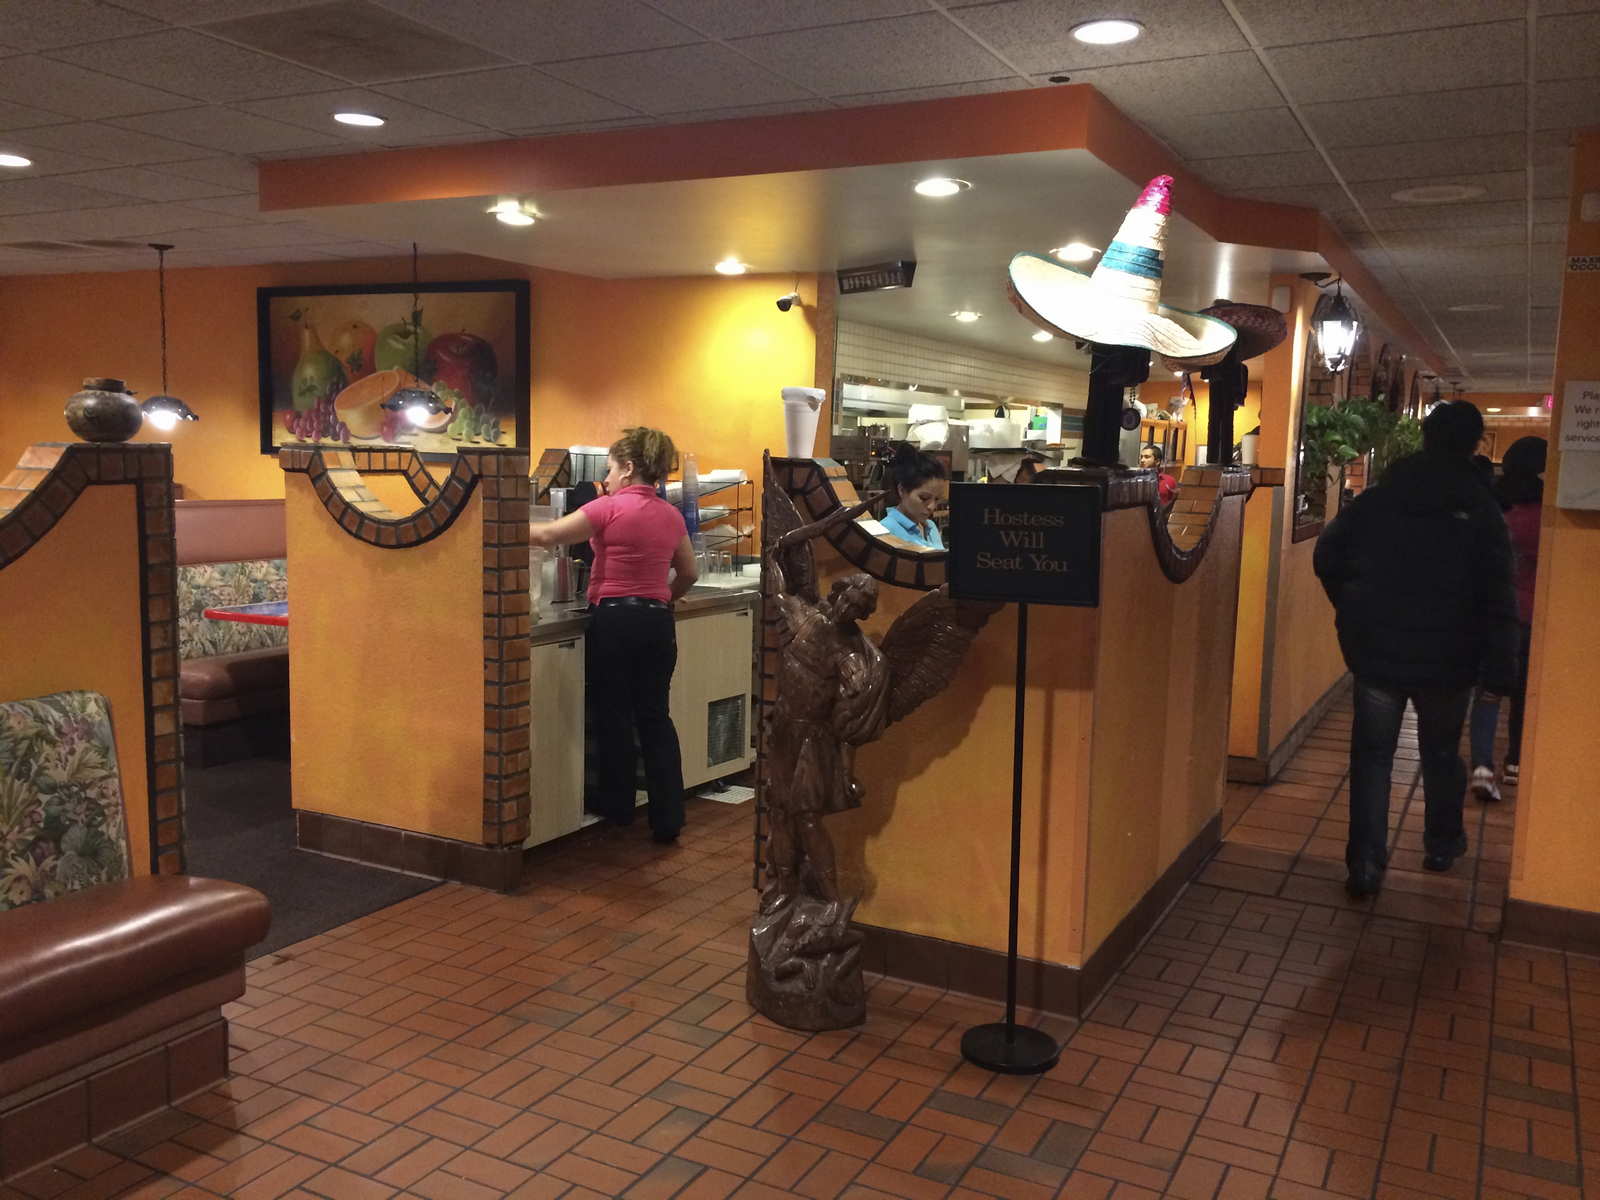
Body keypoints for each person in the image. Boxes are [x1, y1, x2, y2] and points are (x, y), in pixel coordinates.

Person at [1313, 400, 1517, 898]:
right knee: (1442, 753)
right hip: (1451, 659)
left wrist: (1352, 607)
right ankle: (1441, 845)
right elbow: (1499, 595)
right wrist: (1499, 671)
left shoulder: (1381, 496)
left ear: (1425, 436)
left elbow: (1327, 554)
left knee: (1372, 758)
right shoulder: (1481, 508)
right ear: (1474, 444)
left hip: (1377, 653)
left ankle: (1365, 864)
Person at [530, 428, 698, 843]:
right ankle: (669, 818)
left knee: (616, 715)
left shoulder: (607, 508)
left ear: (628, 468)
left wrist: (493, 525)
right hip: (657, 623)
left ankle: (619, 809)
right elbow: (690, 572)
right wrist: (665, 598)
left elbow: (547, 535)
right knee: (656, 718)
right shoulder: (671, 515)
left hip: (615, 621)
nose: (605, 479)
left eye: (609, 469)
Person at [1468, 436, 1546, 802]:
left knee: (1489, 693)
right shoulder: (1548, 518)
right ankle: (1515, 762)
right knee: (1524, 696)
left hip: (1493, 615)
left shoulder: (1495, 509)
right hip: (1533, 618)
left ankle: (1482, 769)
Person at [880, 443, 947, 549]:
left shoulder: (930, 526)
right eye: (924, 498)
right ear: (902, 490)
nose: (931, 507)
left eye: (937, 499)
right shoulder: (885, 531)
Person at [1139, 442, 1179, 506]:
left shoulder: (1169, 481)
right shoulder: (1137, 480)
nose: (1142, 460)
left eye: (1147, 457)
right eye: (1141, 457)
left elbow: (1173, 504)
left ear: (1157, 461)